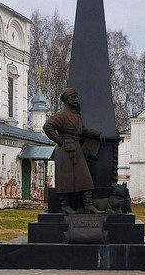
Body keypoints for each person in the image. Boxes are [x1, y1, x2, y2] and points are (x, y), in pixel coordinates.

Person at [42, 87, 104, 215]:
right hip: (65, 150)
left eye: (76, 97)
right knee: (66, 180)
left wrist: (97, 134)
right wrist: (59, 140)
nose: (76, 99)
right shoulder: (62, 115)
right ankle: (65, 205)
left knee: (85, 177)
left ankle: (89, 205)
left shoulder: (77, 116)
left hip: (76, 149)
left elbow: (83, 130)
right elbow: (47, 126)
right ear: (66, 100)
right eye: (72, 97)